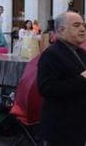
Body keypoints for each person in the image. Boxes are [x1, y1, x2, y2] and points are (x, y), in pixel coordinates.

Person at [37, 12, 86, 146]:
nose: (82, 29)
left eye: (83, 25)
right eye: (76, 25)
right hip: (61, 129)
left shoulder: (81, 53)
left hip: (79, 127)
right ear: (61, 30)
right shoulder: (51, 54)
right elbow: (46, 88)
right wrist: (81, 79)